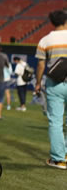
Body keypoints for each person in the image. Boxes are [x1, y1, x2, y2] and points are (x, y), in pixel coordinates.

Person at [34, 10, 67, 170]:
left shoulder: (45, 40)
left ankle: (58, 159)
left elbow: (41, 65)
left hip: (55, 84)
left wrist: (38, 83)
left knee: (56, 121)